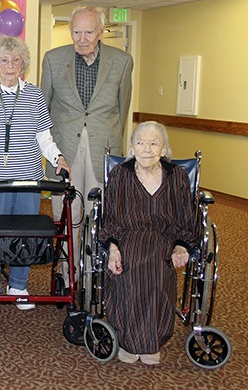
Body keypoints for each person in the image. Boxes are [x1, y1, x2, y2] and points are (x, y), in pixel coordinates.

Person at [0, 35, 70, 314]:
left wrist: (58, 158)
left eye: (16, 60)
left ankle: (18, 285)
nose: (10, 66)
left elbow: (44, 136)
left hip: (28, 178)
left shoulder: (34, 95)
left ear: (24, 64)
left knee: (25, 232)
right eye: (4, 60)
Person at [40, 6, 134, 289]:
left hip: (102, 149)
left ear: (101, 32)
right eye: (76, 31)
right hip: (64, 151)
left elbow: (122, 108)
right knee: (68, 215)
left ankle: (98, 276)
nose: (81, 38)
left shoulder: (122, 61)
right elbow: (43, 109)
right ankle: (71, 278)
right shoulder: (54, 60)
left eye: (88, 32)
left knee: (101, 214)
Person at [99, 121, 197, 365]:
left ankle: (150, 340)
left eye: (154, 143)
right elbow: (109, 217)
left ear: (164, 149)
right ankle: (132, 341)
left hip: (164, 239)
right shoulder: (120, 174)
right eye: (140, 143)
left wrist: (181, 246)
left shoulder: (177, 176)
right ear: (132, 147)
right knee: (130, 268)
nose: (146, 149)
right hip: (127, 237)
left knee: (156, 268)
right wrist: (112, 249)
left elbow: (186, 218)